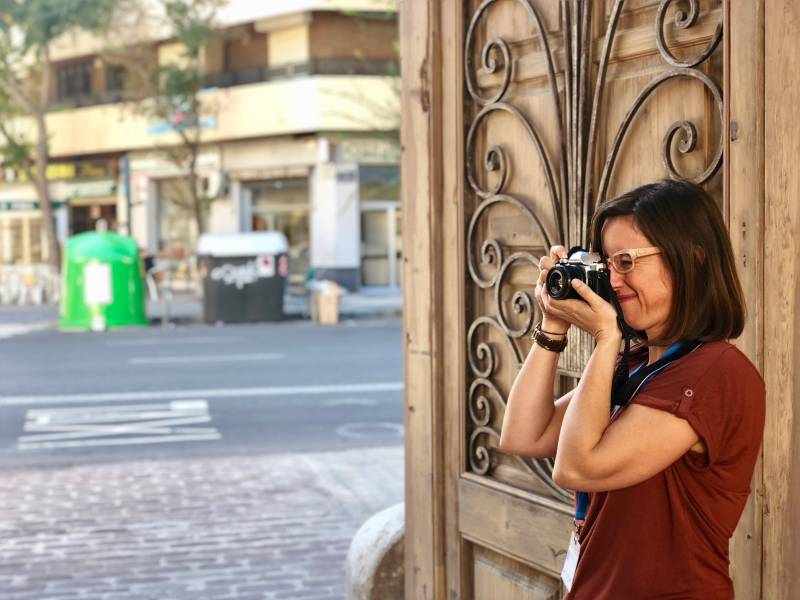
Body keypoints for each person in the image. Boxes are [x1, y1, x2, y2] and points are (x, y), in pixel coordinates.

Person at [499, 180, 765, 599]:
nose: (613, 279)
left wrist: (606, 340)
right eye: (606, 263)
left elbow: (576, 467)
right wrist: (553, 324)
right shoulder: (638, 362)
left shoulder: (716, 373)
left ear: (691, 260)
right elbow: (523, 435)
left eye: (626, 262)